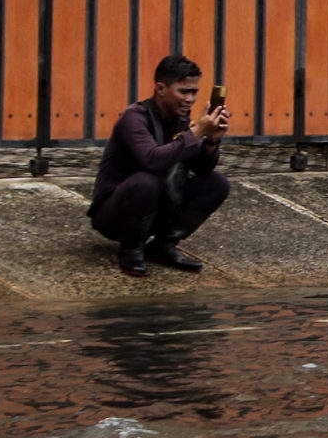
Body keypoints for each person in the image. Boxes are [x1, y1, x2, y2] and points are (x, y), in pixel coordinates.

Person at [91, 52, 230, 277]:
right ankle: (132, 249)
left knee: (217, 183)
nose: (190, 99)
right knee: (147, 181)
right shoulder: (134, 118)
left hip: (159, 206)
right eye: (183, 91)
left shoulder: (182, 120)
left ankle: (163, 245)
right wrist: (195, 133)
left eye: (194, 92)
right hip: (114, 214)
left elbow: (203, 169)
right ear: (160, 88)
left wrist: (212, 140)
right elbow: (152, 160)